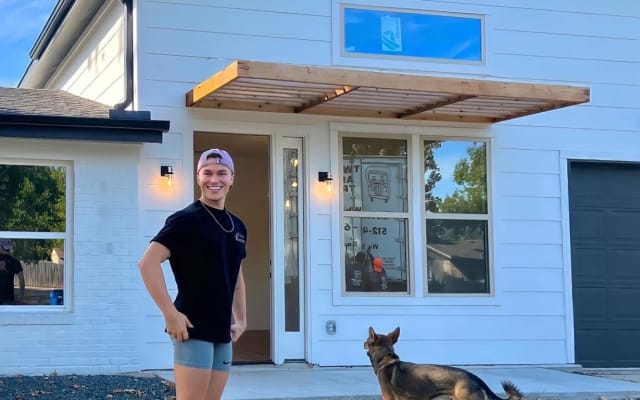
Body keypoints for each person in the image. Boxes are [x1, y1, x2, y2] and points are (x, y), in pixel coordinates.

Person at [138, 148, 247, 400]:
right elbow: (147, 264)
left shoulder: (238, 226)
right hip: (192, 328)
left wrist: (241, 319)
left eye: (222, 173)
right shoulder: (185, 220)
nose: (214, 179)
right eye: (207, 173)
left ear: (232, 178)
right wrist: (170, 314)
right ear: (198, 178)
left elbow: (236, 276)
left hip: (222, 331)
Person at [0, 239, 25, 305]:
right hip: (8, 298)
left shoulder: (14, 260)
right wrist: (21, 295)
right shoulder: (14, 260)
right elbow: (21, 278)